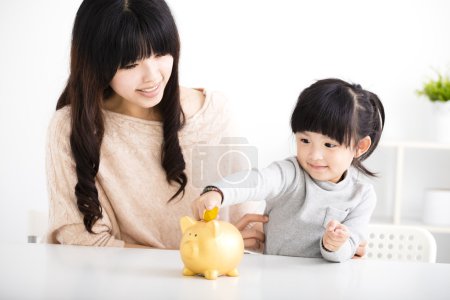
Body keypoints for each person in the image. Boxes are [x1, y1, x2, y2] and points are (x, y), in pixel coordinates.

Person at [45, 0, 266, 249]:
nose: (152, 77)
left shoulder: (214, 113)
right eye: (130, 64)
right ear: (97, 65)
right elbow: (85, 240)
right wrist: (193, 252)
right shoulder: (71, 128)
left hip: (210, 283)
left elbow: (249, 225)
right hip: (117, 285)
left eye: (161, 53)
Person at [192, 78, 385, 262]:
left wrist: (335, 245)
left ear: (360, 146)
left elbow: (352, 247)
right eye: (305, 141)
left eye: (329, 145)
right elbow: (257, 181)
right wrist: (218, 192)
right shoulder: (290, 173)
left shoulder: (362, 196)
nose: (314, 155)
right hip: (274, 280)